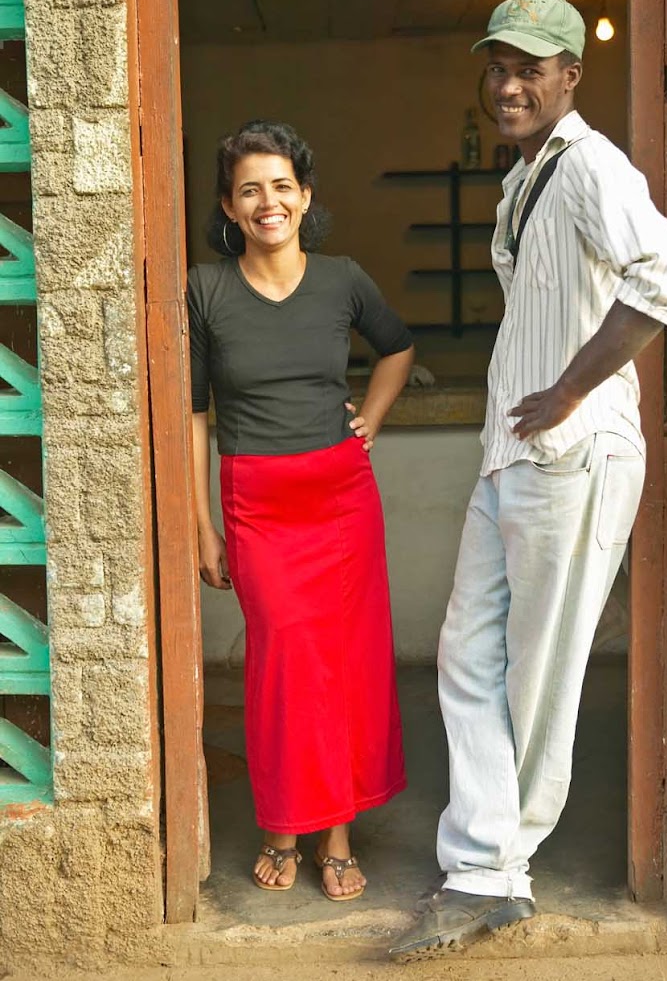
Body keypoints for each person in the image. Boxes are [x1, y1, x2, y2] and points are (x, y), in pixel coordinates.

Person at [391, 0, 667, 955]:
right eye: (497, 68)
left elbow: (665, 279)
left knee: (541, 672)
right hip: (512, 454)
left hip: (573, 452)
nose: (510, 85)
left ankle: (493, 870)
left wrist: (568, 389)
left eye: (531, 68)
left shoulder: (593, 166)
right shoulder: (529, 177)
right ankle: (486, 861)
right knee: (468, 656)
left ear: (571, 75)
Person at [188, 120, 414, 902]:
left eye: (282, 185)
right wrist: (201, 525)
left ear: (305, 195)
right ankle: (283, 822)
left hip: (342, 497)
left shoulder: (342, 277)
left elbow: (398, 346)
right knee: (283, 666)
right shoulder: (205, 288)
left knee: (343, 667)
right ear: (229, 204)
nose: (268, 201)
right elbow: (194, 414)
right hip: (258, 502)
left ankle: (337, 835)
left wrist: (372, 419)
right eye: (250, 187)